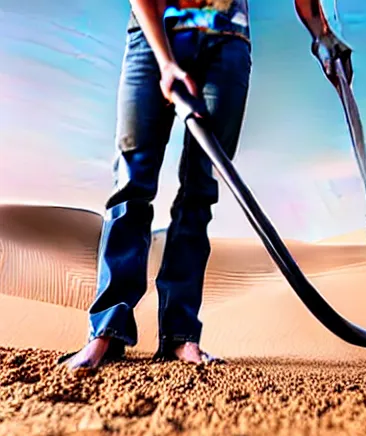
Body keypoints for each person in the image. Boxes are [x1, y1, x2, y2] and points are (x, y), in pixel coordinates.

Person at [59, 0, 252, 369]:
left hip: (227, 39)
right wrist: (166, 62)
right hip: (153, 32)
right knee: (133, 184)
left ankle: (181, 336)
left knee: (200, 191)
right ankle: (107, 330)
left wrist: (321, 33)